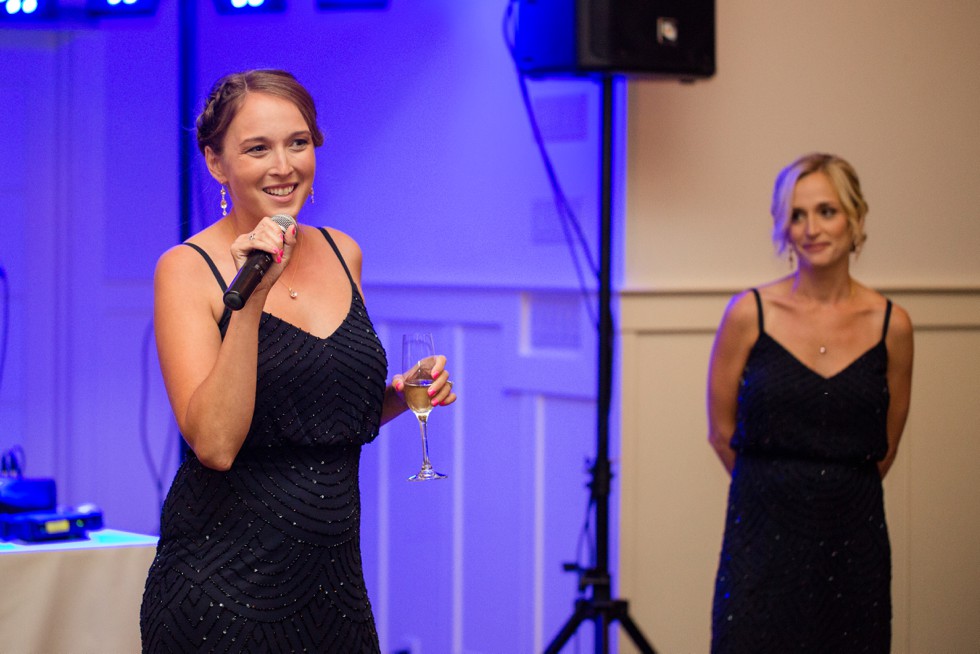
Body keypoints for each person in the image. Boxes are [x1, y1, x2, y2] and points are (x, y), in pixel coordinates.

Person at [139, 69, 457, 653]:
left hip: (334, 589)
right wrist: (251, 296)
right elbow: (215, 442)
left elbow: (322, 415)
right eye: (257, 148)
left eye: (298, 142)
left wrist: (397, 393)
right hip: (219, 590)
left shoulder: (343, 251)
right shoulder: (186, 269)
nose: (283, 166)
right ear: (216, 163)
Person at [706, 153, 913, 652]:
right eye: (796, 215)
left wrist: (829, 493)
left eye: (826, 211)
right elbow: (720, 430)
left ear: (856, 218)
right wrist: (780, 492)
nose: (811, 228)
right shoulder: (748, 314)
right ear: (782, 226)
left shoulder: (893, 326)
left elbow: (885, 447)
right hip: (760, 539)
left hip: (853, 543)